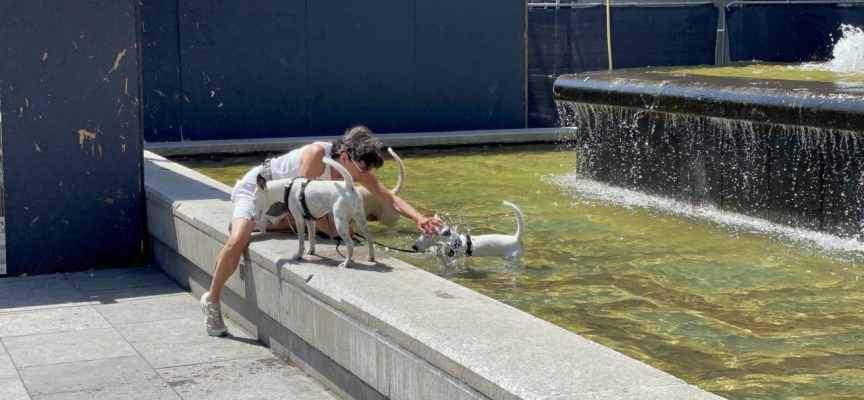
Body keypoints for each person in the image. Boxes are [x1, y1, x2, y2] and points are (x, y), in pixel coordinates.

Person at [201, 125, 444, 336]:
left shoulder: (356, 170)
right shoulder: (318, 154)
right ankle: (211, 300)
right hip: (260, 191)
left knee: (336, 229)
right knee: (237, 241)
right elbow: (302, 203)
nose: (364, 176)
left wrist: (419, 218)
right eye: (362, 168)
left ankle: (259, 224)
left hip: (286, 209)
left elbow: (388, 198)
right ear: (346, 157)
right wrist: (335, 228)